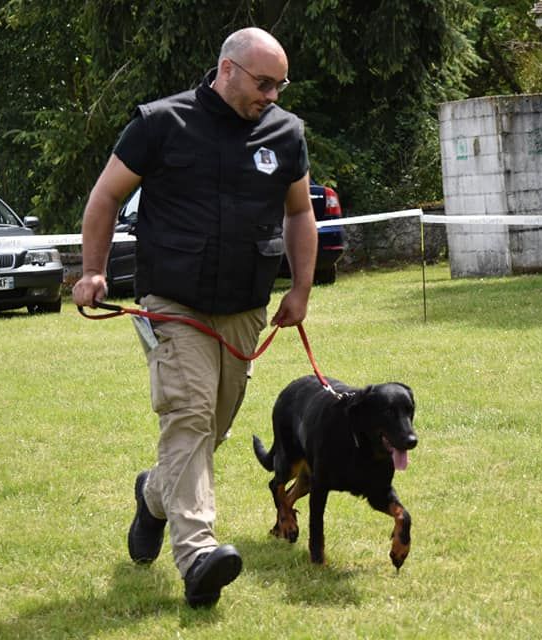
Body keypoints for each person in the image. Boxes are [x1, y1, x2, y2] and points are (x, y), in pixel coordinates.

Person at [72, 27, 317, 608]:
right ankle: (198, 555)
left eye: (280, 86)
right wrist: (93, 270)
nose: (272, 96)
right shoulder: (161, 123)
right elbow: (105, 197)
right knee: (189, 415)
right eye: (264, 83)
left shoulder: (285, 133)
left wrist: (301, 289)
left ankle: (153, 495)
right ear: (227, 69)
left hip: (245, 309)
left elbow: (299, 212)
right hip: (172, 303)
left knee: (213, 429)